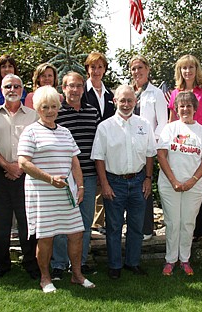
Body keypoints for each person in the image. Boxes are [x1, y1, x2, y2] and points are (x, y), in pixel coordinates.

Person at [17, 86, 95, 293]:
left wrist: (80, 186)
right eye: (45, 107)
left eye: (53, 106)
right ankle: (45, 279)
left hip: (65, 193)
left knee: (76, 233)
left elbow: (75, 162)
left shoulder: (65, 132)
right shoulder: (30, 131)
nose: (50, 111)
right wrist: (50, 179)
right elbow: (23, 162)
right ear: (37, 109)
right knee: (46, 237)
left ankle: (77, 275)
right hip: (43, 194)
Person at [91, 85, 156, 280]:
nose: (126, 104)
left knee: (136, 226)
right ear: (115, 102)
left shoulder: (144, 124)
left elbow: (150, 154)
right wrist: (105, 184)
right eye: (122, 100)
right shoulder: (105, 127)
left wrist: (148, 178)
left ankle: (133, 262)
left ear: (135, 102)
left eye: (129, 100)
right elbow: (99, 158)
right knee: (114, 227)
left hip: (138, 181)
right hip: (114, 182)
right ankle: (114, 265)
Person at [0, 74, 39, 280]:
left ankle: (31, 263)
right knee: (1, 221)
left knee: (27, 221)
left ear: (22, 89)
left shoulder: (33, 116)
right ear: (2, 90)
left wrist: (21, 168)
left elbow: (38, 145)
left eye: (17, 86)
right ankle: (2, 264)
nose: (12, 89)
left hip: (26, 174)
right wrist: (7, 165)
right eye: (8, 86)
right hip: (0, 173)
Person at [157, 91, 202, 276]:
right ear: (176, 108)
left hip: (194, 186)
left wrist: (193, 181)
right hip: (169, 184)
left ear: (195, 108)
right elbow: (161, 155)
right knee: (173, 222)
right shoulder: (169, 128)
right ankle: (170, 260)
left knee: (188, 223)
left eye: (189, 106)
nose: (185, 109)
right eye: (181, 106)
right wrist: (174, 181)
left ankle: (185, 259)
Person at [51, 72, 100, 279]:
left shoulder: (92, 112)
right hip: (64, 178)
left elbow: (99, 145)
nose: (75, 90)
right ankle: (59, 264)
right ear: (63, 88)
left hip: (88, 176)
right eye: (71, 86)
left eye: (79, 86)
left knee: (85, 223)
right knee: (62, 223)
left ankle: (79, 262)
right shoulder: (57, 113)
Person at [168, 54, 202, 242]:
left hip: (200, 143)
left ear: (197, 70)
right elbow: (171, 121)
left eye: (191, 67)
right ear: (179, 71)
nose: (187, 71)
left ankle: (197, 232)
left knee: (199, 184)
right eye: (184, 68)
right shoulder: (174, 93)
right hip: (180, 145)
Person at [130, 55, 168, 240]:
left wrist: (151, 144)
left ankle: (146, 229)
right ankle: (133, 227)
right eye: (133, 69)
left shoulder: (156, 93)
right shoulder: (128, 93)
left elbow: (162, 122)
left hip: (148, 148)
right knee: (131, 188)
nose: (137, 72)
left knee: (145, 186)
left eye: (140, 68)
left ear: (148, 69)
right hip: (130, 149)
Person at [82, 52, 115, 235]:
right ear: (87, 69)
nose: (96, 70)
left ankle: (100, 221)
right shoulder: (82, 92)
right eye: (93, 67)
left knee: (104, 181)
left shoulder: (110, 94)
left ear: (104, 69)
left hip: (106, 145)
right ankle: (91, 223)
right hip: (87, 143)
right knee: (91, 182)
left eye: (100, 67)